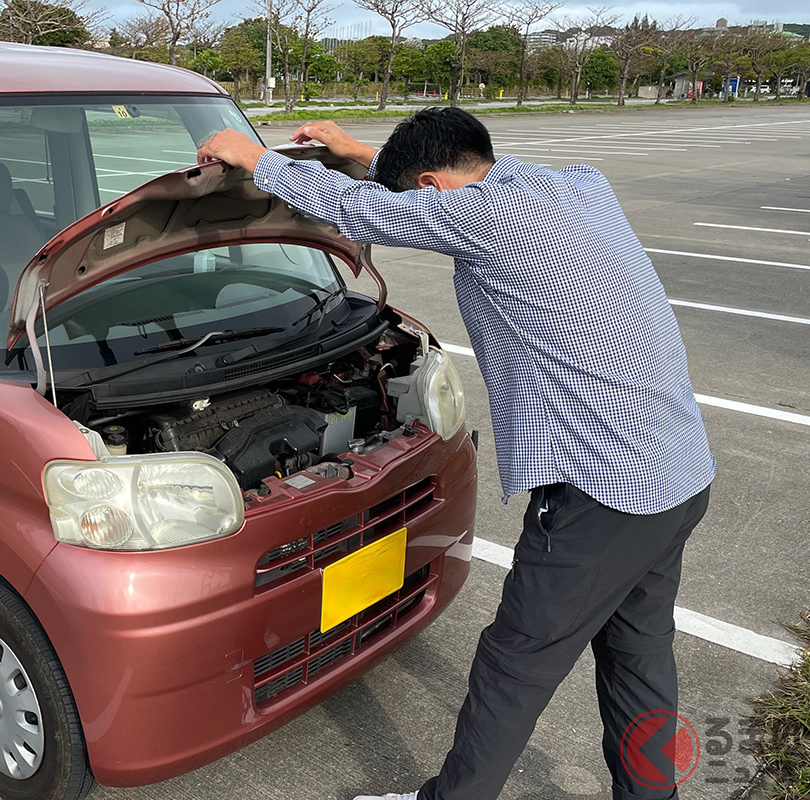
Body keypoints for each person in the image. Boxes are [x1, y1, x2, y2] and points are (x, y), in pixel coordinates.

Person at [196, 108, 715, 800]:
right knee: (638, 650)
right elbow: (430, 189)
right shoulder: (578, 185)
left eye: (421, 197)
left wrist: (253, 158)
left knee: (514, 665)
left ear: (439, 188)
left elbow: (360, 210)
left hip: (604, 491)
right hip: (676, 469)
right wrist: (357, 149)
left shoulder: (482, 220)